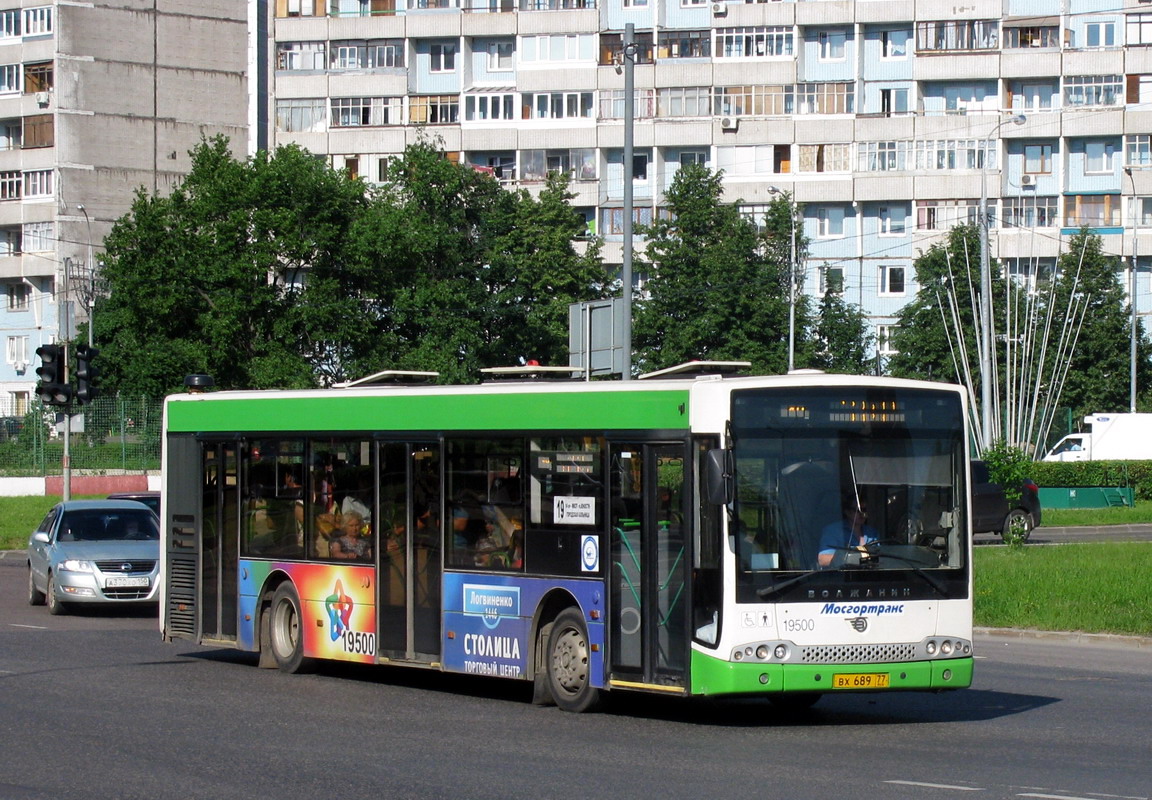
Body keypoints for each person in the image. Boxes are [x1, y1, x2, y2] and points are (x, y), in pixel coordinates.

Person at [818, 497, 879, 567]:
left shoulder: (872, 532)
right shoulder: (832, 531)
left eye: (864, 510)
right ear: (847, 512)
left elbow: (880, 556)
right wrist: (852, 558)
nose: (862, 514)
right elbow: (823, 559)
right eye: (857, 510)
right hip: (842, 576)